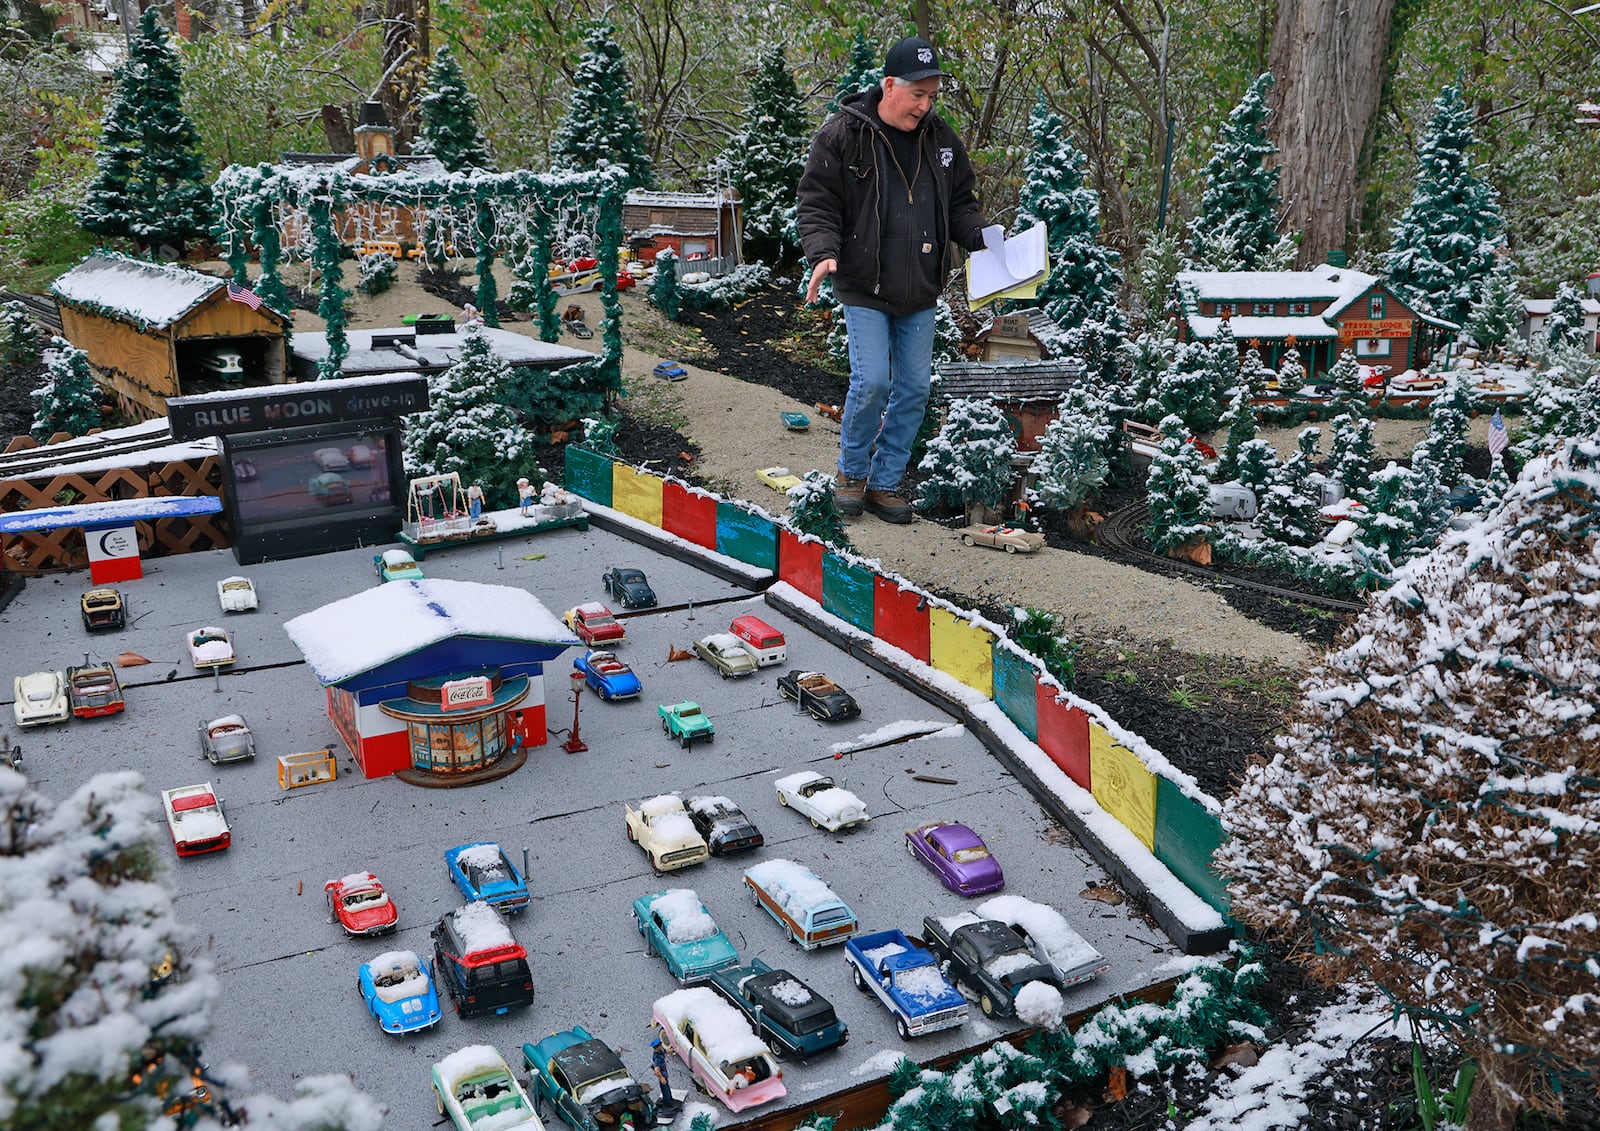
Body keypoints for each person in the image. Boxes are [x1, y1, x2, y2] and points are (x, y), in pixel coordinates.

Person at [797, 35, 991, 523]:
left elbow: (961, 204)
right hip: (864, 284)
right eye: (917, 95)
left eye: (932, 96)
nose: (925, 107)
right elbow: (818, 201)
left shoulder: (943, 141)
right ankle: (851, 475)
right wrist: (822, 253)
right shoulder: (843, 134)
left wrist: (984, 238)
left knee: (914, 389)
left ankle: (884, 484)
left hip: (921, 288)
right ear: (888, 85)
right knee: (872, 383)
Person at [650, 1037, 674, 1104]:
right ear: (656, 1048)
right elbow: (656, 1070)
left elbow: (665, 1051)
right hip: (662, 1072)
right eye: (660, 1045)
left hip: (664, 1070)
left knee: (667, 1086)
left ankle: (670, 1099)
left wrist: (672, 1050)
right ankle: (667, 1102)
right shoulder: (657, 1057)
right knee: (664, 1088)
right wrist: (661, 1078)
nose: (661, 1045)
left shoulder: (660, 1050)